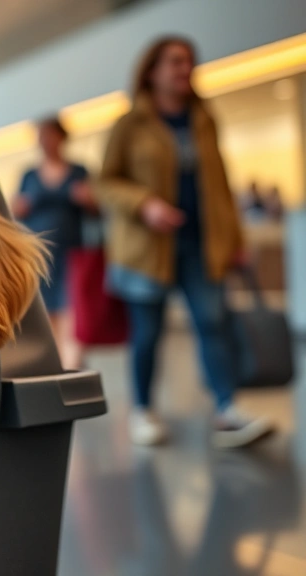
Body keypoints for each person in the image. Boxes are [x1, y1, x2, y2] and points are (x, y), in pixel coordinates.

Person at [97, 36, 273, 448]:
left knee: (213, 324)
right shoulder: (130, 123)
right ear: (153, 71)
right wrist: (145, 205)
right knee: (149, 333)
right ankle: (143, 410)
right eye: (175, 62)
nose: (184, 69)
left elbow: (220, 183)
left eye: (189, 62)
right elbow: (106, 182)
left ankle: (226, 410)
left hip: (200, 244)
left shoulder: (203, 118)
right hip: (147, 248)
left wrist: (235, 238)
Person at [10, 117, 96, 369]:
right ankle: (57, 366)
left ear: (61, 137)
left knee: (73, 314)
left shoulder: (79, 171)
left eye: (49, 135)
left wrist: (88, 199)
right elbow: (13, 210)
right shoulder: (29, 175)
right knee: (47, 317)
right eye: (40, 136)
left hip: (72, 256)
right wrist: (18, 206)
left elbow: (97, 210)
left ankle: (70, 368)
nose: (45, 141)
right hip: (39, 257)